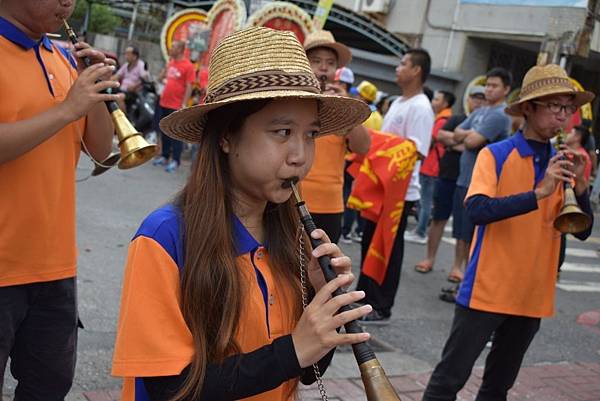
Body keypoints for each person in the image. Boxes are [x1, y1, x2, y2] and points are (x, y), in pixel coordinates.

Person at [111, 27, 373, 401]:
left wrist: (321, 300)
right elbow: (169, 387)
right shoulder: (164, 236)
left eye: (310, 135)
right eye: (282, 131)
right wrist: (295, 348)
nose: (300, 155)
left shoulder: (292, 234)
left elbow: (308, 372)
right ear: (226, 136)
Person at [422, 64, 594, 401]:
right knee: (448, 380)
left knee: (498, 387)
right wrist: (538, 193)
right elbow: (477, 210)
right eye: (555, 107)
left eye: (568, 109)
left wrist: (583, 189)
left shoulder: (563, 161)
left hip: (532, 294)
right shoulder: (497, 154)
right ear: (528, 108)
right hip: (488, 288)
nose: (563, 117)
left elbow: (582, 231)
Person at [0, 0, 122, 399]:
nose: (67, 2)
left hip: (54, 267)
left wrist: (96, 90)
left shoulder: (64, 58)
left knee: (49, 386)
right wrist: (68, 109)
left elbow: (101, 151)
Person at [356, 48, 435, 323]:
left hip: (400, 192)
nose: (397, 68)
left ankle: (381, 304)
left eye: (403, 64)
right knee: (369, 243)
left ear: (416, 71)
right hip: (382, 186)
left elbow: (418, 149)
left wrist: (378, 143)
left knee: (388, 248)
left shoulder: (421, 107)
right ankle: (365, 298)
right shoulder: (399, 102)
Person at [301, 30, 371, 243]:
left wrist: (346, 107)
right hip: (291, 199)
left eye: (330, 63)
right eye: (316, 61)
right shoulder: (293, 100)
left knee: (324, 271)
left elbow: (363, 147)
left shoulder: (340, 105)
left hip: (330, 204)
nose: (324, 67)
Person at [446, 68, 512, 284]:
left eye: (494, 86)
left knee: (471, 232)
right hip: (464, 178)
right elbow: (457, 133)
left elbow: (471, 141)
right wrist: (470, 135)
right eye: (488, 85)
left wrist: (469, 136)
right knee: (460, 229)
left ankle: (468, 277)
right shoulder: (480, 111)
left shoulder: (500, 115)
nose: (489, 89)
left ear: (506, 90)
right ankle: (459, 271)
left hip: (482, 182)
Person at [413, 86, 485, 277]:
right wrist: (466, 143)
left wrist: (457, 141)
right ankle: (429, 258)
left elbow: (476, 144)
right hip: (447, 175)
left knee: (464, 226)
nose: (478, 102)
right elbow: (441, 136)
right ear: (468, 100)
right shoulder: (457, 119)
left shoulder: (487, 122)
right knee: (438, 219)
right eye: (475, 98)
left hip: (471, 180)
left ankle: (457, 267)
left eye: (482, 98)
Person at [406, 90, 455, 245]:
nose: (433, 102)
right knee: (425, 201)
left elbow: (430, 139)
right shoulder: (444, 118)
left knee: (426, 202)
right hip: (432, 166)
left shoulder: (442, 120)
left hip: (431, 167)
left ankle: (420, 231)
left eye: (437, 99)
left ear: (445, 103)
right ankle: (420, 229)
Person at [153, 40, 194, 173]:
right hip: (164, 102)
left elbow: (189, 85)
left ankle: (175, 160)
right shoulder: (171, 63)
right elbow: (160, 79)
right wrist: (165, 68)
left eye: (174, 47)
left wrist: (184, 104)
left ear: (181, 50)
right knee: (164, 130)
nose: (171, 49)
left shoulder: (188, 66)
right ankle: (165, 156)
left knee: (175, 133)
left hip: (176, 104)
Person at [112, 45, 148, 112]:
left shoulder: (141, 65)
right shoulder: (126, 65)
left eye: (128, 54)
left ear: (134, 56)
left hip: (133, 92)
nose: (126, 56)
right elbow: (117, 75)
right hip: (122, 90)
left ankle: (125, 118)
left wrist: (135, 86)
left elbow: (144, 79)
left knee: (119, 97)